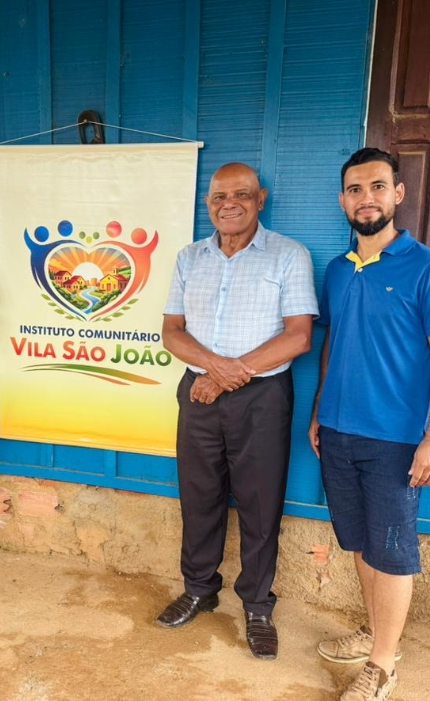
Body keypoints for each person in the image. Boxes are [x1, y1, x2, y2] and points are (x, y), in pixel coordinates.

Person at [308, 147, 430, 701]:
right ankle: (376, 634)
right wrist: (320, 409)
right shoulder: (337, 269)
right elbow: (334, 342)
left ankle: (383, 665)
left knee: (393, 551)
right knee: (358, 543)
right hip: (338, 433)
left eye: (378, 186)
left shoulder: (428, 267)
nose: (366, 198)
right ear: (342, 200)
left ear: (398, 194)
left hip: (396, 441)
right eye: (355, 189)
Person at [157, 162, 318, 660]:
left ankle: (257, 605)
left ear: (260, 199)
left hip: (262, 399)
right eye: (219, 197)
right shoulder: (189, 258)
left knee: (259, 502)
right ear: (208, 204)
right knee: (198, 495)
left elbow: (299, 336)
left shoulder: (289, 255)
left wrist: (226, 375)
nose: (229, 204)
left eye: (242, 195)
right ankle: (199, 589)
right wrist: (212, 370)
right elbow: (172, 331)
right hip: (199, 395)